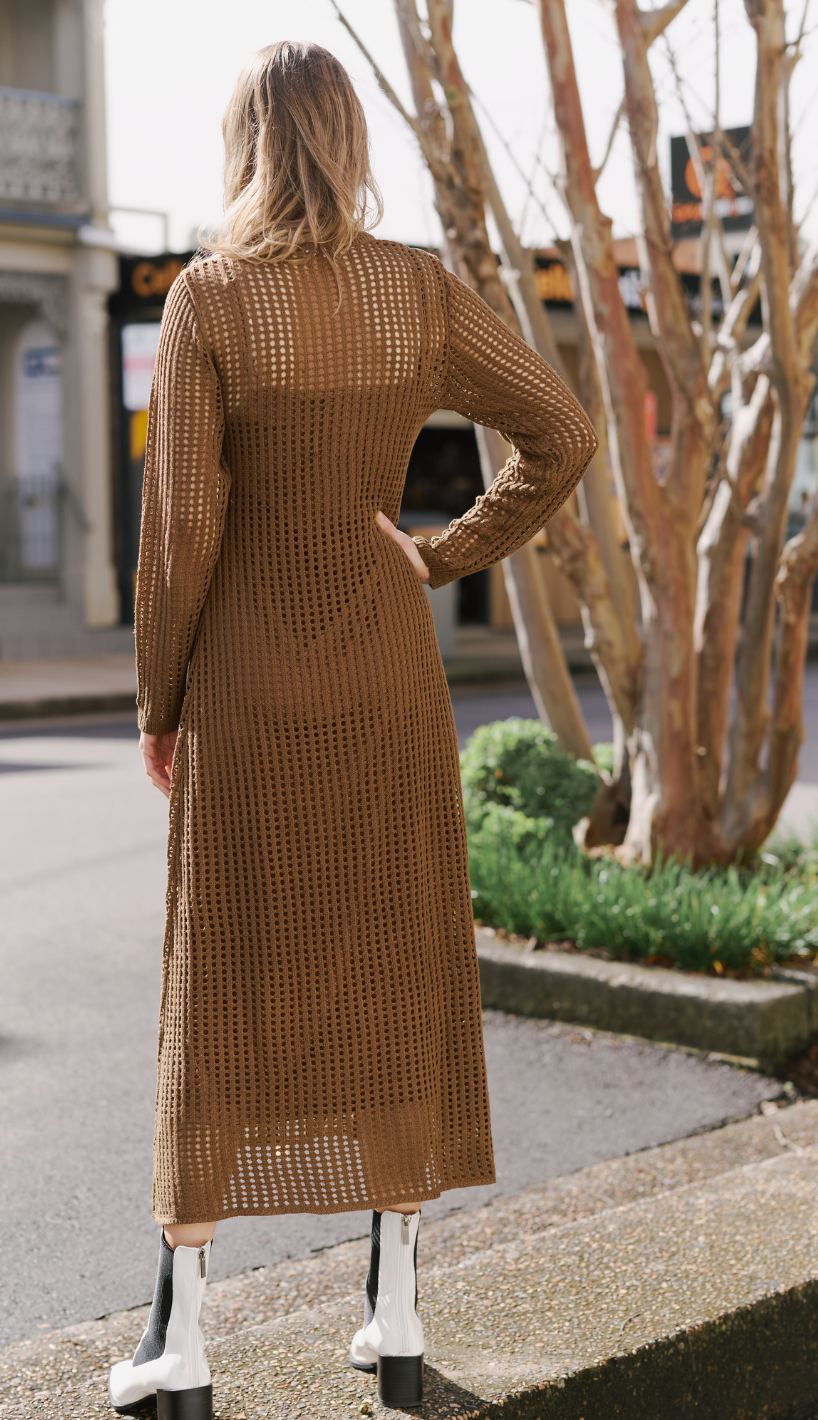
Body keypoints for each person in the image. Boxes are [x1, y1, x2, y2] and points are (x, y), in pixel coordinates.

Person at [109, 39, 597, 1420]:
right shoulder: (418, 291)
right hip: (388, 679)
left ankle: (183, 1344)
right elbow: (563, 432)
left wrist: (160, 702)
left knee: (222, 983)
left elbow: (182, 530)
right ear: (349, 139)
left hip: (249, 685)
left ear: (248, 144)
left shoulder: (211, 298)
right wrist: (440, 556)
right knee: (394, 968)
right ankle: (394, 1321)